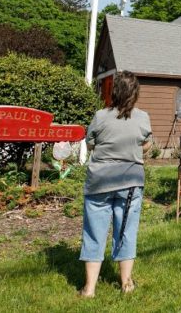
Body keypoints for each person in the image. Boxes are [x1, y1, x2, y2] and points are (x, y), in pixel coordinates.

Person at [79, 71, 153, 297]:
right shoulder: (143, 117)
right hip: (130, 182)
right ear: (135, 93)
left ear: (114, 91)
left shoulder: (100, 116)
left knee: (94, 232)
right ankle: (126, 284)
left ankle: (89, 288)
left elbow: (90, 144)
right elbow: (147, 145)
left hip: (99, 181)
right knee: (126, 231)